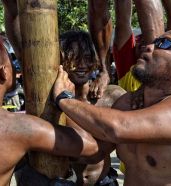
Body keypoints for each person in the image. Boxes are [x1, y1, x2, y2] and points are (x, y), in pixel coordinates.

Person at [53, 25, 171, 185]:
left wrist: (65, 98)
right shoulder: (128, 103)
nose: (149, 46)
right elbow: (94, 153)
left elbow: (117, 127)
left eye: (163, 44)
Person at [0, 26, 99, 186]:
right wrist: (64, 98)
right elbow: (90, 146)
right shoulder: (14, 127)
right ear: (4, 73)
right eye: (12, 64)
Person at [60, 30, 126, 185]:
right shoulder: (51, 103)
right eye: (74, 58)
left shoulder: (112, 97)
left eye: (87, 58)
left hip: (104, 181)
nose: (82, 65)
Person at [88, 0, 171, 92]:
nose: (144, 45)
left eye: (144, 40)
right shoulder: (130, 71)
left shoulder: (166, 68)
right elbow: (123, 20)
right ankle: (105, 69)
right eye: (140, 41)